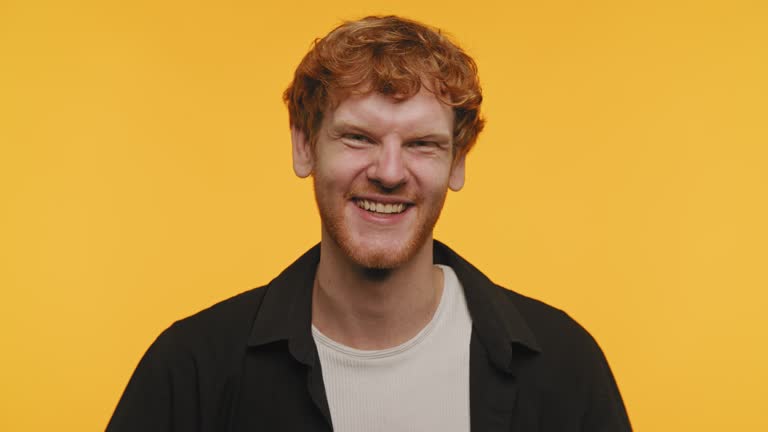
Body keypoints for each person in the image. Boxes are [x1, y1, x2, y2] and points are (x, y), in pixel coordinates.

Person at [107, 15, 632, 432]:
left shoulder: (565, 366)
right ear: (304, 145)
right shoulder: (190, 369)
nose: (387, 172)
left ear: (458, 161)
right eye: (358, 137)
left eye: (422, 144)